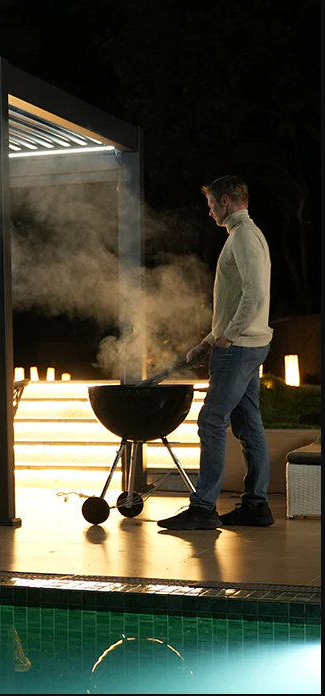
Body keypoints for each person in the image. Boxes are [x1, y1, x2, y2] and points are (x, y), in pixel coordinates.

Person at [159, 175, 274, 530]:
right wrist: (209, 341)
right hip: (246, 344)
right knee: (248, 423)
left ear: (226, 201)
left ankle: (203, 508)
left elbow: (254, 295)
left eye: (211, 205)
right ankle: (256, 506)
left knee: (211, 421)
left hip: (239, 347)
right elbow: (233, 300)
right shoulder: (246, 234)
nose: (209, 212)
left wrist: (229, 337)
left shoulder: (243, 237)